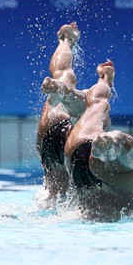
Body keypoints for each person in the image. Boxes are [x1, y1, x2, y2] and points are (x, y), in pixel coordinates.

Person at [62, 61, 133, 221]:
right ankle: (114, 142)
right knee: (97, 104)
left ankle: (105, 80)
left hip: (78, 160)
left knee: (98, 104)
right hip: (111, 184)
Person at [37, 22, 87, 204]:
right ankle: (67, 40)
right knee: (79, 202)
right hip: (67, 129)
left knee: (53, 197)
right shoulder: (95, 100)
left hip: (46, 134)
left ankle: (65, 40)